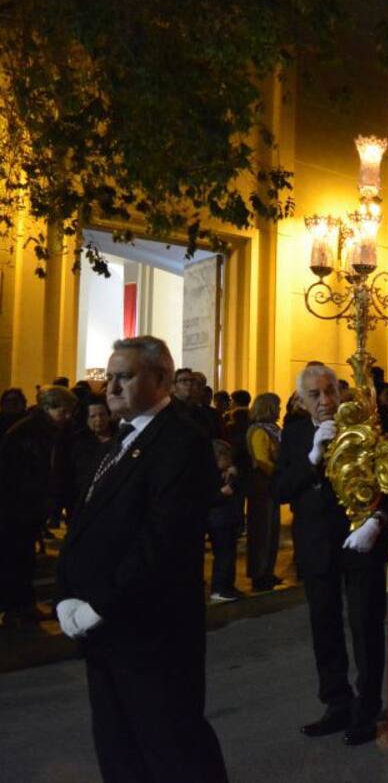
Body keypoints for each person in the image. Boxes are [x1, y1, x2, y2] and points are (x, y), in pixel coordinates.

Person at [55, 335, 228, 781]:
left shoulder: (180, 442)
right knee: (119, 750)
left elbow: (161, 540)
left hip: (153, 633)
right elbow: (86, 522)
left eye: (124, 377)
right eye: (109, 377)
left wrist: (100, 604)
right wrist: (65, 593)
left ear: (161, 378)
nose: (110, 387)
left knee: (171, 749)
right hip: (107, 631)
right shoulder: (116, 440)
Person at [275, 363, 388, 747]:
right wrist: (313, 457)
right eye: (315, 395)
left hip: (359, 542)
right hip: (316, 546)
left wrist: (377, 518)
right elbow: (279, 490)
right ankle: (336, 702)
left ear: (340, 393)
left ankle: (367, 708)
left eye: (329, 391)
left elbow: (387, 480)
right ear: (302, 401)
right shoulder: (292, 436)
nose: (324, 401)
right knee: (324, 627)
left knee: (365, 627)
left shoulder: (365, 428)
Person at [0, 385, 77, 626]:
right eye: (63, 411)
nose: (68, 417)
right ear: (48, 408)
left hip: (26, 506)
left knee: (23, 559)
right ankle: (16, 608)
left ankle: (23, 605)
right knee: (16, 558)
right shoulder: (31, 432)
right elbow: (25, 474)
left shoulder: (43, 430)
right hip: (17, 507)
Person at [245, 392, 283, 592]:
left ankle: (268, 570)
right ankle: (259, 573)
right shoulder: (260, 431)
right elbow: (262, 460)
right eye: (277, 406)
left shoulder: (273, 429)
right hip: (262, 485)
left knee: (272, 529)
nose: (279, 410)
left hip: (271, 484)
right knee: (262, 529)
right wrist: (280, 472)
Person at [207, 440, 243, 603]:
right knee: (224, 555)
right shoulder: (211, 476)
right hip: (219, 521)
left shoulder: (227, 473)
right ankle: (220, 587)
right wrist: (222, 493)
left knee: (228, 555)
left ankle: (227, 585)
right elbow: (207, 498)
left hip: (226, 519)